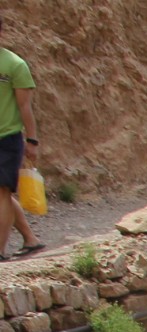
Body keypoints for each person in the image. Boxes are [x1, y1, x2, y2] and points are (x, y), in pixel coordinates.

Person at [0, 17, 43, 261]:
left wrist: (32, 140)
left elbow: (25, 107)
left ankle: (0, 250)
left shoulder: (15, 65)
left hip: (6, 138)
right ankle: (30, 238)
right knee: (2, 195)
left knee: (2, 192)